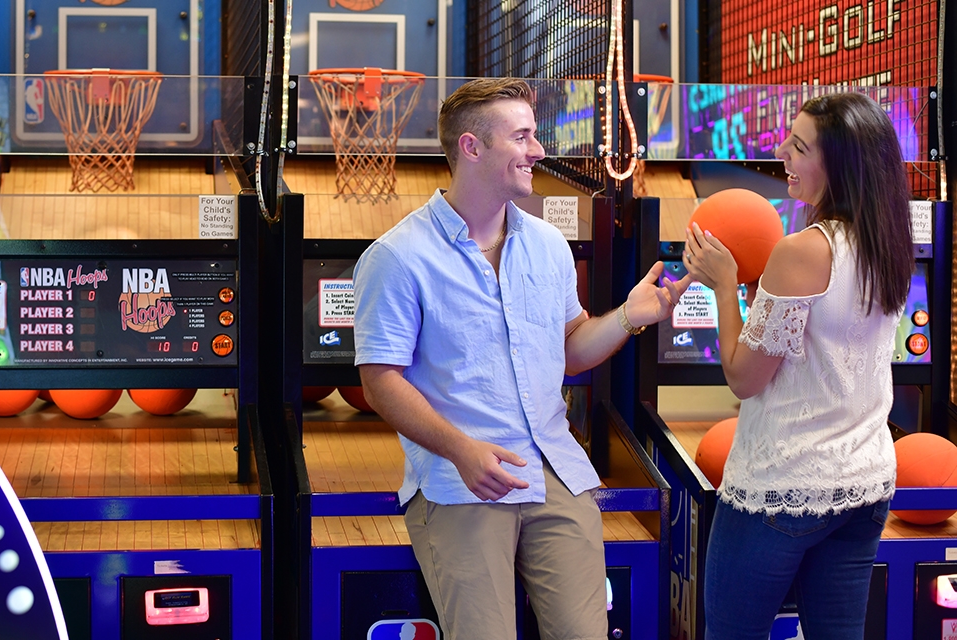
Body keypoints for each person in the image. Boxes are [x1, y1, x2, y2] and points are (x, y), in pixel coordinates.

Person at [353, 77, 689, 639]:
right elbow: (379, 382)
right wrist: (461, 450)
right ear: (472, 147)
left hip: (554, 470)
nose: (538, 151)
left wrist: (631, 315)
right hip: (461, 481)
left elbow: (570, 349)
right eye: (523, 137)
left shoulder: (547, 244)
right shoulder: (397, 257)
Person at [683, 92, 913, 639]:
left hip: (781, 487)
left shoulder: (802, 251)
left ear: (840, 167)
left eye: (800, 146)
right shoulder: (888, 243)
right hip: (863, 484)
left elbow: (744, 375)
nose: (781, 151)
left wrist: (723, 284)